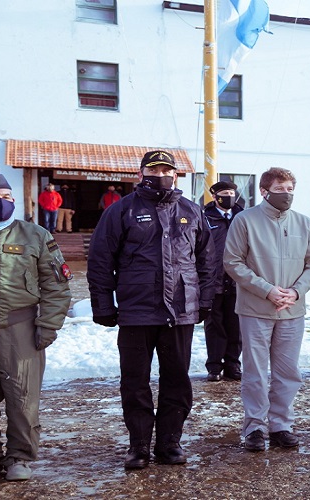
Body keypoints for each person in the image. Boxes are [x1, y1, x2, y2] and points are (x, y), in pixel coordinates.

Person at [87, 150, 217, 469]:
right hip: (136, 311)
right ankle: (139, 445)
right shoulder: (121, 211)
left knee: (177, 379)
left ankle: (170, 443)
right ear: (141, 172)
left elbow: (207, 261)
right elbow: (101, 260)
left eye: (167, 169)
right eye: (154, 168)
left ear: (176, 174)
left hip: (181, 311)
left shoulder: (191, 211)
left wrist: (204, 302)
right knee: (135, 381)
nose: (161, 174)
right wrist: (103, 305)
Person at [223, 167, 310, 452]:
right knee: (255, 372)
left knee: (287, 371)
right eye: (280, 189)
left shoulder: (303, 223)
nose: (287, 194)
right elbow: (232, 262)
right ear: (265, 192)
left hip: (291, 309)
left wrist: (296, 290)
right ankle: (254, 426)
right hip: (255, 308)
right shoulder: (245, 221)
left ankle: (281, 424)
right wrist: (266, 289)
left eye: (291, 188)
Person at [0, 172, 71, 483]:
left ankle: (20, 456)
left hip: (19, 326)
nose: (2, 203)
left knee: (22, 397)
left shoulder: (34, 235)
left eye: (7, 197)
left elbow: (57, 286)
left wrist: (47, 325)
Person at [203, 180, 244, 382]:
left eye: (231, 192)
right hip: (213, 280)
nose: (228, 196)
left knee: (236, 326)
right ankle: (214, 366)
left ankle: (233, 365)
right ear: (214, 196)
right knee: (214, 325)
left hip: (238, 281)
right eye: (224, 193)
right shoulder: (204, 217)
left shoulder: (242, 217)